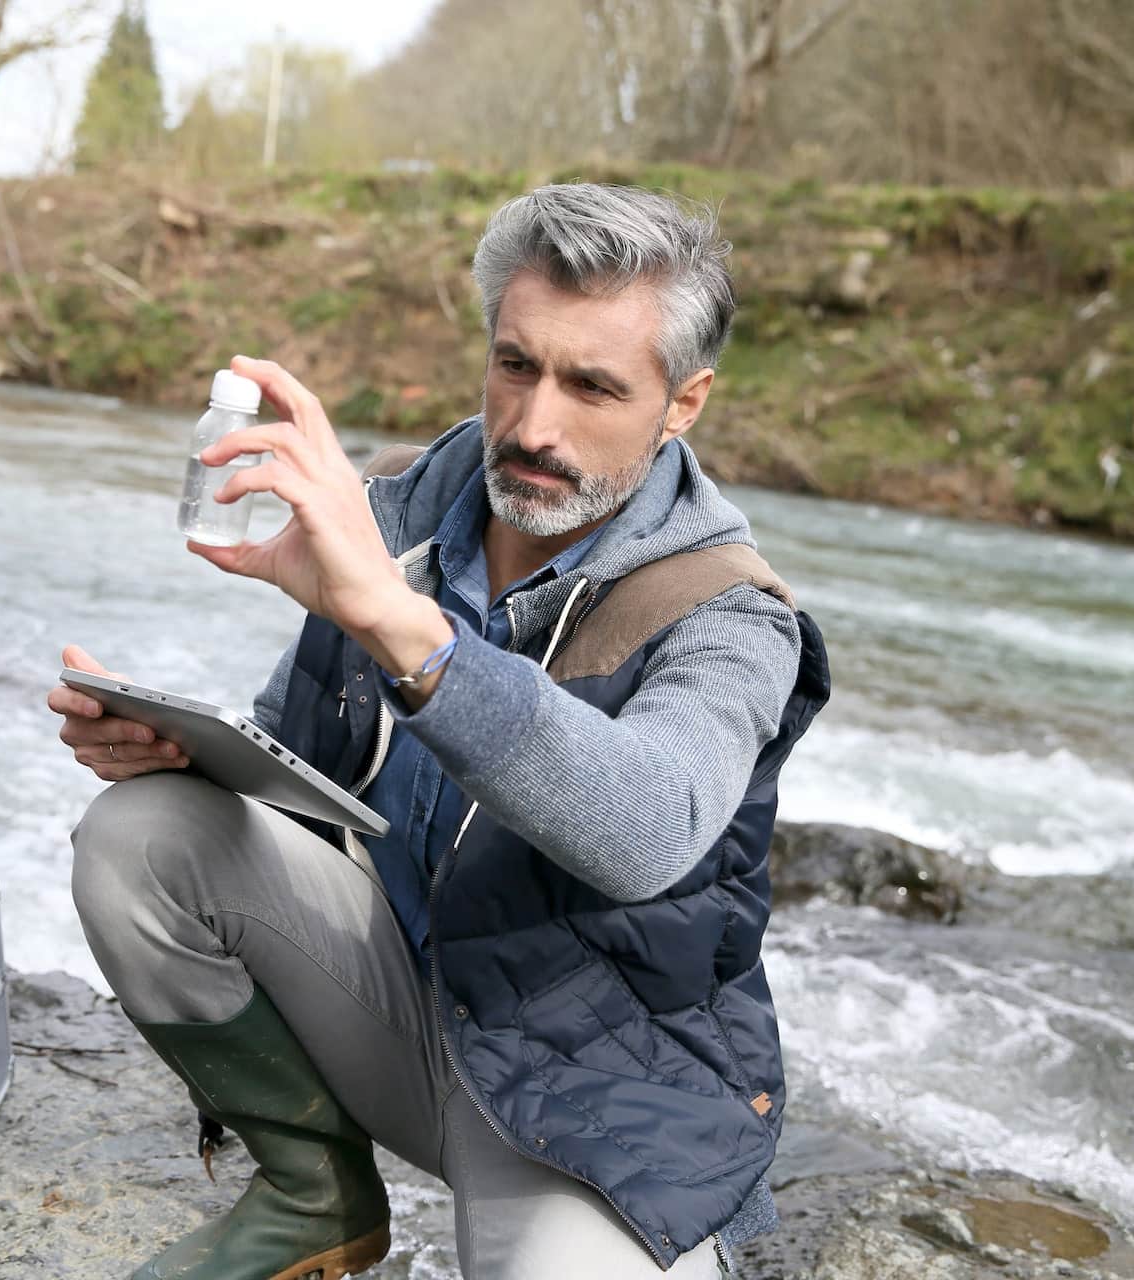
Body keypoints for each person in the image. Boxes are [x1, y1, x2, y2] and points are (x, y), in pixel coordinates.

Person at [48, 182, 831, 1280]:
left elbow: (648, 829)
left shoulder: (735, 616)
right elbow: (303, 776)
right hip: (402, 1024)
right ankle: (312, 1190)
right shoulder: (410, 515)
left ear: (683, 401)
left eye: (593, 385)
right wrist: (185, 756)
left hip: (598, 1104)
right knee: (145, 832)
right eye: (517, 364)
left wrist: (406, 631)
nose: (534, 424)